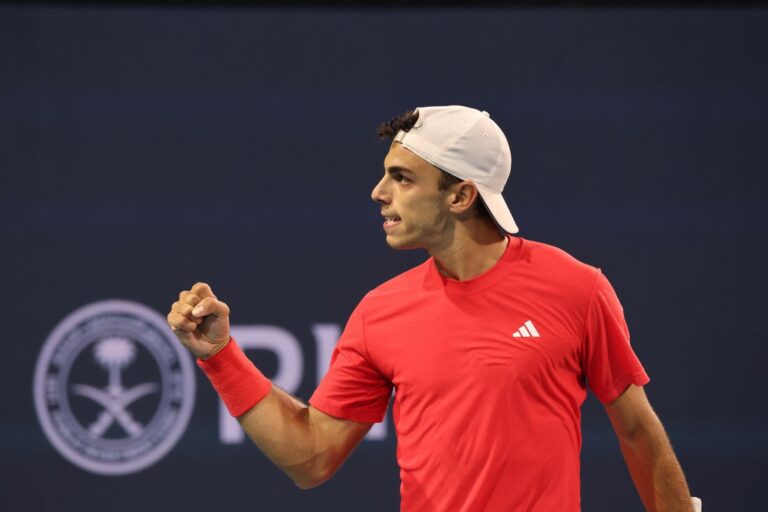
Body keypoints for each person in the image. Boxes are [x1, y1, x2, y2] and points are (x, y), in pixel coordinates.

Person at [167, 105, 696, 511]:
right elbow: (311, 457)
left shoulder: (577, 289)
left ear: (461, 196)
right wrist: (220, 355)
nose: (378, 193)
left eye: (402, 178)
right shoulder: (379, 312)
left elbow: (637, 431)